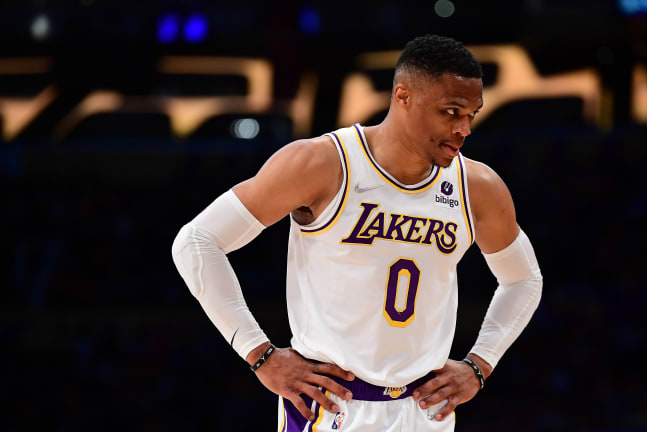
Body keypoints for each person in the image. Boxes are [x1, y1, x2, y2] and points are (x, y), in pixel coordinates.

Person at [172, 34, 543, 431]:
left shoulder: (477, 187)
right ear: (403, 96)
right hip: (330, 406)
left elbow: (524, 279)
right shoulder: (321, 163)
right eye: (451, 112)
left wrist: (480, 364)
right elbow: (196, 241)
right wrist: (259, 354)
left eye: (471, 114)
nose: (464, 128)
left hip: (424, 410)